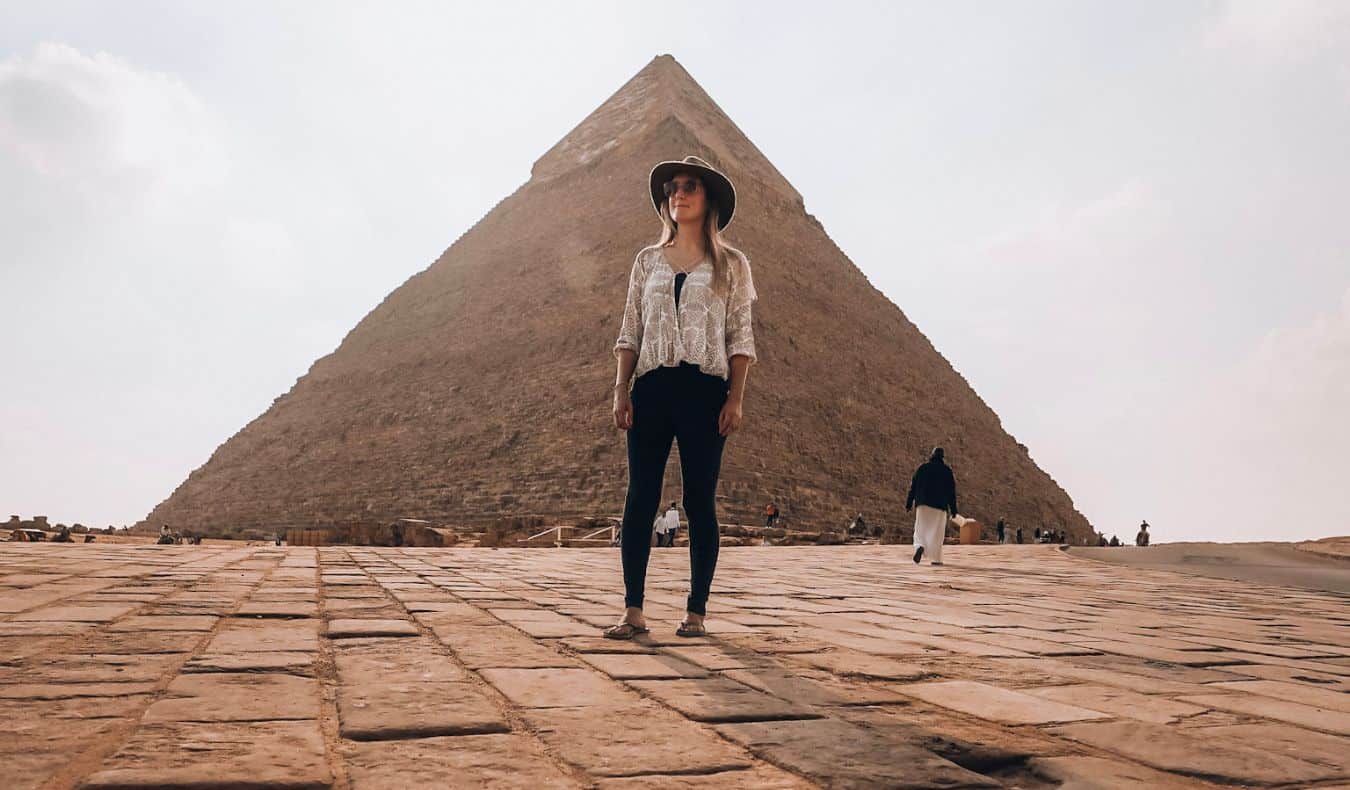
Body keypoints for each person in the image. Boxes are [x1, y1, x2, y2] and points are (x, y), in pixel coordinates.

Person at [605, 155, 757, 640]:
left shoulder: (731, 265)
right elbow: (631, 327)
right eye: (672, 188)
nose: (679, 194)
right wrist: (621, 389)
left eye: (690, 186)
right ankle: (633, 611)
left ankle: (696, 611)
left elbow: (740, 337)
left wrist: (735, 398)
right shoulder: (646, 261)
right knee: (640, 498)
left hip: (704, 390)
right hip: (651, 387)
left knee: (700, 501)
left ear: (707, 198)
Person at [905, 447, 958, 566]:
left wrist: (909, 503)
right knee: (937, 533)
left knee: (920, 530)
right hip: (939, 506)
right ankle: (936, 559)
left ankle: (919, 546)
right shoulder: (947, 471)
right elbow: (951, 493)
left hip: (922, 504)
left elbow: (913, 487)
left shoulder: (922, 468)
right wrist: (953, 510)